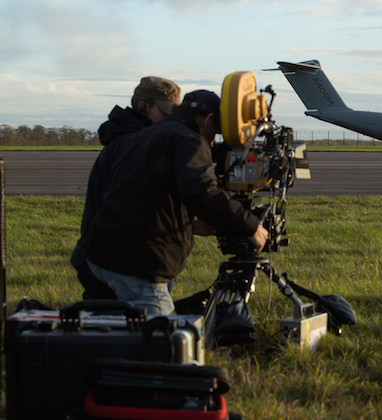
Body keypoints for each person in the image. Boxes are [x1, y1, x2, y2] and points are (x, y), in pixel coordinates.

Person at [84, 90, 268, 315]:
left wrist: (190, 226)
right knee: (163, 340)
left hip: (103, 253)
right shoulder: (189, 140)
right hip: (136, 263)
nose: (212, 142)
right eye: (214, 133)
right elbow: (203, 194)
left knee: (116, 332)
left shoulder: (148, 134)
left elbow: (148, 197)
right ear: (209, 119)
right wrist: (249, 226)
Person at [71, 76, 182, 299]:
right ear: (142, 106)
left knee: (113, 328)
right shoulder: (134, 145)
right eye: (166, 111)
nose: (172, 119)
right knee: (151, 328)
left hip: (116, 257)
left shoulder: (132, 140)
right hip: (122, 262)